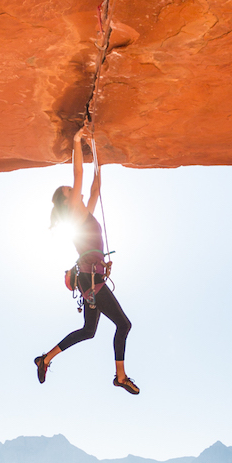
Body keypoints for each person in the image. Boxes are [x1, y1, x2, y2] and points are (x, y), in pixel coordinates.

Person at [34, 127, 139, 394]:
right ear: (67, 201)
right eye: (70, 190)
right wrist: (77, 140)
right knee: (124, 325)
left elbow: (94, 190)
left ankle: (45, 359)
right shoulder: (75, 214)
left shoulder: (84, 214)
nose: (75, 190)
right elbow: (78, 174)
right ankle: (120, 377)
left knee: (89, 331)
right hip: (91, 280)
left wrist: (99, 162)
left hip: (90, 278)